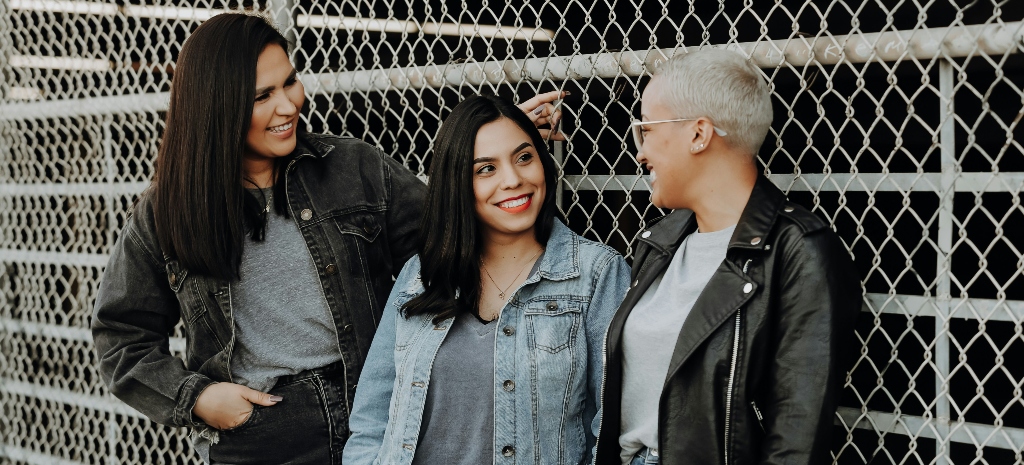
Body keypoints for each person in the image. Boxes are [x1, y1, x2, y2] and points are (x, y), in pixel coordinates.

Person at [91, 12, 565, 464]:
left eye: (290, 82)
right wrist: (198, 398)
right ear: (216, 106)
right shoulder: (166, 212)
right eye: (262, 96)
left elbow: (450, 235)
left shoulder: (352, 169)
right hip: (260, 440)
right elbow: (121, 336)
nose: (289, 105)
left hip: (374, 421)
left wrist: (492, 147)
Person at [593, 49, 862, 465]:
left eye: (646, 129)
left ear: (698, 134)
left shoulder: (800, 251)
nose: (640, 152)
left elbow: (797, 437)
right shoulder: (659, 242)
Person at [343, 94, 630, 465]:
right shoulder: (422, 274)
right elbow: (372, 417)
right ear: (457, 184)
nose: (513, 180)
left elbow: (615, 425)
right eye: (486, 169)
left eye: (524, 157)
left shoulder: (596, 274)